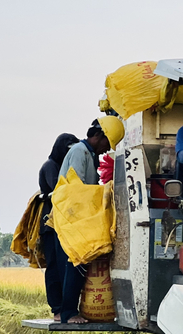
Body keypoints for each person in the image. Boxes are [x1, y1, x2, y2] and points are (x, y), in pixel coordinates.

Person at [58, 116, 124, 323]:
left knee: (80, 264)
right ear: (97, 136)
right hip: (74, 216)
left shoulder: (89, 153)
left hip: (81, 216)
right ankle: (68, 313)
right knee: (75, 264)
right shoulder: (79, 151)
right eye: (106, 143)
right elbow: (77, 188)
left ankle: (74, 310)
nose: (106, 149)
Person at [39, 133, 79, 321]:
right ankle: (57, 308)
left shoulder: (61, 166)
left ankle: (63, 306)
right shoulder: (50, 166)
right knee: (54, 266)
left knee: (64, 266)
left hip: (61, 222)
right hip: (50, 224)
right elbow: (59, 190)